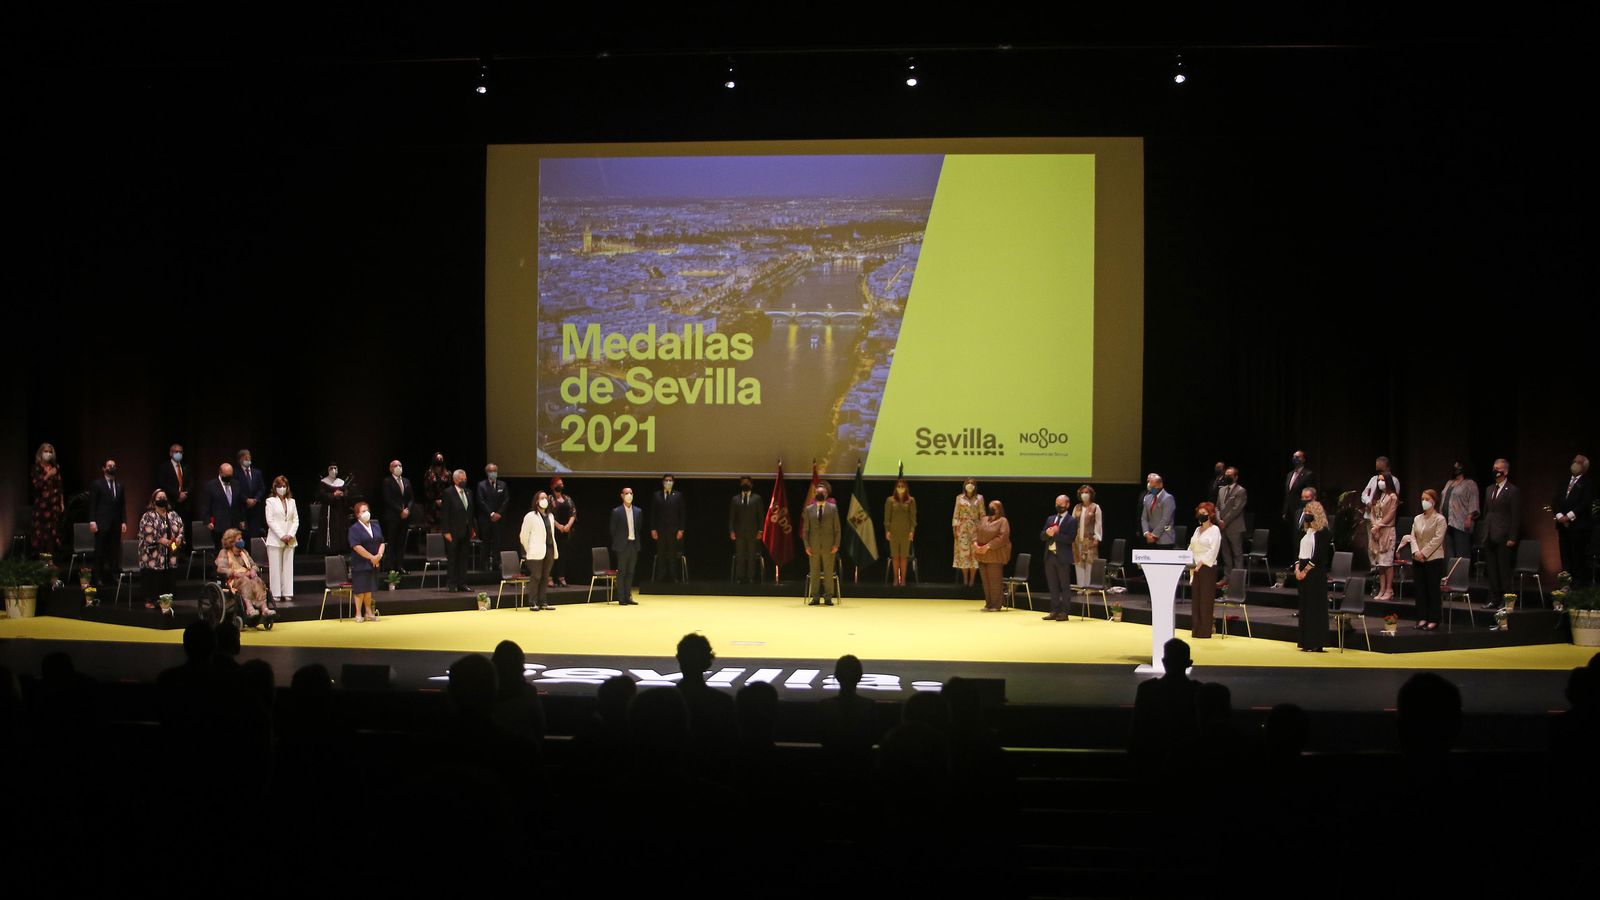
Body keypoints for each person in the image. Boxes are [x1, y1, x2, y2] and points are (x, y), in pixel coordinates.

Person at [1129, 638, 1199, 772]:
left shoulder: (1147, 690)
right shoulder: (1197, 691)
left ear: (1164, 662)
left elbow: (1137, 729)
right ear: (1189, 663)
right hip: (1189, 764)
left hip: (1151, 761)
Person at [1400, 489, 1447, 629]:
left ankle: (1433, 619)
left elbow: (1437, 539)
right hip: (1418, 559)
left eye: (1426, 499)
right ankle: (1421, 618)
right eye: (1422, 499)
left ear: (1433, 501)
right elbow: (1412, 536)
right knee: (1420, 590)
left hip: (1433, 559)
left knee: (1432, 590)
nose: (1424, 502)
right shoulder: (1417, 518)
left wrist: (1424, 553)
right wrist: (1415, 552)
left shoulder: (1440, 519)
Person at [1481, 458, 1521, 608]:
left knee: (1504, 570)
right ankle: (1494, 598)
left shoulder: (1512, 490)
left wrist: (1512, 537)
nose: (1495, 471)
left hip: (1504, 536)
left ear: (1506, 471)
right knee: (1491, 570)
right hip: (1489, 534)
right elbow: (1487, 512)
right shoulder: (1489, 489)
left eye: (1498, 468)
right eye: (1494, 467)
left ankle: (1507, 600)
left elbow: (1515, 516)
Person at [1294, 501, 1332, 652]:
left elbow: (1318, 556)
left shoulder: (1323, 533)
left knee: (1315, 607)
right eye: (1305, 511)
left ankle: (1316, 641)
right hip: (1303, 570)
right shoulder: (1306, 533)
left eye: (1309, 512)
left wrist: (1305, 571)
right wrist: (1298, 569)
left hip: (1315, 573)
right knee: (1305, 606)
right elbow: (1300, 552)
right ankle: (1306, 641)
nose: (1306, 515)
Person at [215, 527, 273, 624]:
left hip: (247, 577)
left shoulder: (244, 552)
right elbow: (220, 569)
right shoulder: (224, 553)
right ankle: (249, 609)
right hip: (233, 581)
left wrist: (253, 570)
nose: (242, 541)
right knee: (245, 581)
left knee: (257, 580)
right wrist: (234, 572)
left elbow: (254, 565)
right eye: (239, 539)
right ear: (231, 541)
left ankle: (264, 609)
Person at [137, 489, 184, 607]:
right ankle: (150, 600)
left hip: (170, 553)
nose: (162, 499)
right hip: (153, 554)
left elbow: (180, 529)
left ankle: (166, 601)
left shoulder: (173, 515)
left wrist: (178, 540)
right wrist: (164, 541)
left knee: (169, 576)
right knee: (153, 576)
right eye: (159, 498)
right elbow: (148, 533)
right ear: (154, 501)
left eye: (164, 497)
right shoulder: (148, 516)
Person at [1553, 455, 1594, 588]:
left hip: (1578, 527)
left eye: (1579, 462)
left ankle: (1578, 585)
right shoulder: (1564, 482)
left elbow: (1585, 503)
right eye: (1574, 461)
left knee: (1577, 556)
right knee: (1565, 555)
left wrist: (1569, 516)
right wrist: (1559, 516)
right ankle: (1566, 583)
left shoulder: (1587, 483)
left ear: (1584, 467)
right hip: (1562, 526)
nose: (1575, 464)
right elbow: (1555, 501)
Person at [1040, 494, 1079, 621]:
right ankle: (1054, 610)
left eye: (1061, 504)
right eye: (1057, 504)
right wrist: (1047, 533)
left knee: (1064, 586)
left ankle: (1065, 612)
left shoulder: (1071, 521)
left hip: (1063, 557)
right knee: (1052, 585)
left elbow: (1070, 539)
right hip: (1050, 556)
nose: (1059, 506)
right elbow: (1042, 536)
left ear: (1067, 505)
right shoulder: (1050, 518)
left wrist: (1055, 533)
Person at [88, 459, 126, 588]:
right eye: (109, 466)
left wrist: (124, 521)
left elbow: (122, 505)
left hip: (116, 523)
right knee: (100, 550)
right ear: (104, 468)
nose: (112, 468)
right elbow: (92, 504)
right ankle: (97, 577)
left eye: (114, 466)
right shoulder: (97, 484)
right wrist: (92, 520)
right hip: (101, 522)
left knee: (114, 550)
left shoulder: (120, 485)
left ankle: (113, 575)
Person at [519, 491, 559, 611]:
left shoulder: (550, 516)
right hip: (535, 551)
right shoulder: (530, 516)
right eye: (542, 498)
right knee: (536, 576)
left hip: (549, 549)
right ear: (536, 501)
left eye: (546, 498)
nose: (545, 500)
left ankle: (543, 602)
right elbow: (523, 535)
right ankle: (533, 602)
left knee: (545, 576)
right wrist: (528, 548)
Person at [804, 480, 841, 606]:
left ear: (826, 494)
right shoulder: (809, 509)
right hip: (813, 546)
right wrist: (807, 545)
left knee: (828, 572)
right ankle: (815, 597)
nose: (820, 494)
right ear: (815, 494)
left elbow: (837, 528)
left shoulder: (832, 508)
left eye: (822, 492)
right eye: (818, 492)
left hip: (829, 546)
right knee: (814, 571)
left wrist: (836, 544)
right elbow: (806, 530)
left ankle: (828, 597)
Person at [346, 501, 384, 622]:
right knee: (360, 589)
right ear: (357, 514)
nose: (366, 513)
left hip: (374, 562)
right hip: (360, 562)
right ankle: (358, 613)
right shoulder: (354, 529)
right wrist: (371, 557)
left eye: (367, 510)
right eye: (363, 511)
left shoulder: (375, 525)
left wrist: (379, 555)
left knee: (368, 589)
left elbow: (382, 542)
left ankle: (368, 612)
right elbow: (356, 546)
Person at [264, 476, 299, 604]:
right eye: (279, 486)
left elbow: (296, 520)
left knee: (288, 567)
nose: (282, 489)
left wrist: (290, 534)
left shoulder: (292, 501)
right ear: (275, 487)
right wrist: (282, 535)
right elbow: (270, 521)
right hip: (275, 539)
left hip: (290, 539)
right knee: (275, 567)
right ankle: (276, 593)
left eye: (284, 486)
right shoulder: (270, 501)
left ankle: (288, 592)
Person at [1189, 502, 1222, 639]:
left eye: (1205, 514)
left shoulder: (1215, 530)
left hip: (1207, 568)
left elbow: (1213, 550)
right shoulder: (1197, 530)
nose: (1202, 516)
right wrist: (1187, 560)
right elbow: (1191, 546)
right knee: (1196, 599)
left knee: (1205, 601)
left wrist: (1202, 562)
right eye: (1200, 513)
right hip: (1195, 567)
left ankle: (1204, 631)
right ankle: (1196, 629)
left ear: (1211, 515)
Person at [973, 499, 1012, 612]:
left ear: (999, 509)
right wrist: (975, 544)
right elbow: (976, 532)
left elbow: (1003, 537)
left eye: (993, 507)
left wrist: (988, 546)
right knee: (986, 581)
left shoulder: (1003, 521)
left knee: (994, 581)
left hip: (995, 555)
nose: (990, 509)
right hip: (982, 554)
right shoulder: (984, 519)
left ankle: (996, 604)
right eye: (989, 507)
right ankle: (989, 603)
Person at [441, 469, 474, 592]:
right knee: (453, 559)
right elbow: (445, 514)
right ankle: (452, 584)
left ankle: (462, 583)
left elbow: (470, 512)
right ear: (455, 480)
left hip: (466, 531)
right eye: (461, 479)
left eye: (465, 479)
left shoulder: (469, 492)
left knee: (464, 558)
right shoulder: (448, 493)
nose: (463, 481)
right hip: (453, 532)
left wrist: (472, 528)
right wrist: (446, 531)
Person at [609, 486, 644, 605]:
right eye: (626, 493)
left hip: (633, 545)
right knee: (622, 572)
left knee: (630, 572)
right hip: (622, 546)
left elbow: (638, 528)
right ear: (622, 496)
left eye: (631, 493)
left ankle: (628, 596)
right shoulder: (616, 511)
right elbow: (613, 529)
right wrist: (620, 541)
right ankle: (621, 598)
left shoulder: (638, 511)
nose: (629, 495)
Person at [200, 463, 245, 552]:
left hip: (234, 525)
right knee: (220, 552)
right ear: (220, 473)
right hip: (218, 525)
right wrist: (207, 521)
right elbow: (205, 505)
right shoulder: (210, 486)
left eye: (230, 475)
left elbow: (240, 504)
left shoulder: (236, 484)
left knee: (235, 551)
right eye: (226, 475)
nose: (229, 477)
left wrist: (242, 519)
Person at [29, 443, 64, 558]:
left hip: (54, 506)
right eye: (46, 451)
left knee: (52, 534)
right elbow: (37, 485)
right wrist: (48, 475)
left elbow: (59, 487)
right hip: (41, 507)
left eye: (50, 452)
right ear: (41, 453)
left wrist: (61, 503)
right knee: (41, 534)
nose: (48, 454)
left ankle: (51, 561)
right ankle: (42, 562)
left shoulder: (55, 467)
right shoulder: (36, 468)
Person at [1441, 461, 1480, 563]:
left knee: (1461, 552)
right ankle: (1450, 576)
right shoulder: (1449, 482)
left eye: (1458, 467)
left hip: (1461, 522)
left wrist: (1469, 517)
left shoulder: (1470, 483)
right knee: (1449, 552)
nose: (1456, 469)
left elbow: (1473, 500)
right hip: (1447, 521)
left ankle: (1460, 576)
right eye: (1455, 467)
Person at [729, 476, 765, 584]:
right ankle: (740, 577)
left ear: (751, 484)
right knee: (739, 555)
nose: (745, 484)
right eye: (743, 482)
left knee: (751, 555)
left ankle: (751, 577)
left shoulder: (757, 499)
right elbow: (732, 516)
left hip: (753, 532)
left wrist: (761, 530)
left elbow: (761, 515)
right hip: (739, 532)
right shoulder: (735, 499)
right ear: (741, 485)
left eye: (747, 482)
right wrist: (731, 530)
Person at [379, 459, 413, 575]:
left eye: (400, 465)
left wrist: (407, 509)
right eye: (395, 466)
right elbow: (387, 499)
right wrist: (400, 510)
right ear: (390, 469)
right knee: (392, 541)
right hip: (393, 516)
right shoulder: (387, 481)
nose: (398, 467)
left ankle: (399, 565)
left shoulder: (406, 481)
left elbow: (411, 498)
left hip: (405, 517)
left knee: (401, 542)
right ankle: (390, 566)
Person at [651, 474, 686, 582]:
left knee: (672, 554)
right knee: (661, 554)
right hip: (660, 530)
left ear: (673, 482)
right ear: (663, 482)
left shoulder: (678, 495)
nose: (668, 482)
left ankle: (673, 576)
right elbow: (653, 513)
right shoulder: (657, 495)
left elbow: (682, 513)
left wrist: (681, 529)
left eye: (670, 480)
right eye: (666, 480)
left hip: (674, 530)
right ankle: (661, 576)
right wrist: (653, 529)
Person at [476, 463, 510, 575]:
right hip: (486, 519)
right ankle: (483, 564)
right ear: (487, 472)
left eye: (495, 471)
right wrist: (491, 514)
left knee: (498, 542)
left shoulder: (502, 485)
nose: (493, 473)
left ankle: (496, 563)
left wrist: (499, 513)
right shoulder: (481, 485)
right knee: (485, 542)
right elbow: (481, 501)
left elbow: (506, 500)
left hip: (499, 519)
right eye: (491, 471)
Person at [1368, 474, 1398, 601]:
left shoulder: (1393, 497)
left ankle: (1389, 589)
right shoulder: (1378, 497)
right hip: (1376, 532)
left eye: (1382, 480)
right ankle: (1381, 589)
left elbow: (1390, 514)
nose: (1380, 482)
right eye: (1379, 480)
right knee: (1380, 563)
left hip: (1387, 531)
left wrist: (1379, 525)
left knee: (1387, 562)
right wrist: (1374, 525)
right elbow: (1372, 513)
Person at [883, 479, 917, 587]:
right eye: (899, 486)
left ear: (906, 488)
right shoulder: (890, 500)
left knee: (903, 556)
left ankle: (903, 579)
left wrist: (912, 531)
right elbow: (887, 518)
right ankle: (895, 579)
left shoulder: (911, 500)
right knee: (895, 556)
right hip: (893, 532)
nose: (901, 488)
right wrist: (887, 530)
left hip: (906, 532)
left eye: (902, 486)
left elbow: (913, 518)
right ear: (896, 488)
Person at [1214, 466, 1247, 578]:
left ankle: (1238, 580)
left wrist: (1225, 521)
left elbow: (1236, 509)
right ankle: (1227, 578)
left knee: (1237, 554)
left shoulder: (1241, 491)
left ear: (1235, 477)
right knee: (1226, 554)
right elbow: (1217, 507)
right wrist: (1219, 520)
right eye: (1226, 474)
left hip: (1234, 527)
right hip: (1222, 527)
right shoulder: (1221, 490)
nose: (1227, 477)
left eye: (1229, 475)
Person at [1282, 450, 1316, 558]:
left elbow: (1309, 493)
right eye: (1294, 457)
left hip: (1301, 511)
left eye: (1298, 457)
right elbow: (1288, 494)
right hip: (1290, 511)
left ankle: (1302, 561)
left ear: (1303, 459)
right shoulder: (1289, 475)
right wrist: (1285, 510)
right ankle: (1295, 561)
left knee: (1301, 537)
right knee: (1293, 538)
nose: (1295, 459)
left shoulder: (1308, 474)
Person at [951, 477, 984, 588]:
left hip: (975, 528)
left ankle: (972, 580)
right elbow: (956, 514)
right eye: (968, 483)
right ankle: (965, 579)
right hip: (962, 528)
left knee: (974, 554)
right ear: (965, 485)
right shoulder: (959, 498)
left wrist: (983, 529)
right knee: (964, 554)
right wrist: (955, 529)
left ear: (975, 486)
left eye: (972, 483)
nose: (970, 484)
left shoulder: (979, 498)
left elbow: (982, 514)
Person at [1072, 484, 1103, 587]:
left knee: (1089, 562)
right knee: (1078, 562)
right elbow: (1072, 522)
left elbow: (1098, 523)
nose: (1084, 494)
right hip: (1077, 539)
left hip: (1089, 539)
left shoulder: (1095, 507)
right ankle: (1081, 586)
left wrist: (1097, 537)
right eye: (1082, 493)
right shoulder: (1077, 507)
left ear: (1091, 494)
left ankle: (1088, 586)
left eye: (1086, 492)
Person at [317, 463, 352, 553]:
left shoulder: (341, 482)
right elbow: (321, 495)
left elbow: (347, 494)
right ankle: (329, 548)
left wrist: (342, 494)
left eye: (335, 468)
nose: (333, 470)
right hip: (328, 509)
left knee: (341, 527)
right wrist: (333, 495)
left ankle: (341, 547)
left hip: (340, 510)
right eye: (331, 468)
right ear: (328, 470)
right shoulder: (323, 482)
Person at [549, 477, 578, 587]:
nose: (560, 485)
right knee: (552, 555)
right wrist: (558, 526)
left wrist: (568, 526)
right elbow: (547, 514)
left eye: (561, 484)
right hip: (553, 530)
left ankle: (561, 577)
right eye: (558, 484)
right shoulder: (549, 499)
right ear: (552, 486)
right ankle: (550, 578)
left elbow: (573, 513)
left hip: (565, 531)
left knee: (563, 555)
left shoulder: (567, 499)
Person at [155, 443, 191, 527]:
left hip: (185, 504)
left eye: (181, 452)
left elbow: (191, 482)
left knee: (185, 528)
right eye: (176, 452)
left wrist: (185, 493)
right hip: (171, 502)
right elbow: (162, 484)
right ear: (171, 453)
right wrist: (178, 494)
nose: (179, 454)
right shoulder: (164, 467)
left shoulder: (186, 467)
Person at [236, 449, 267, 540]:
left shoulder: (257, 473)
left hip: (255, 508)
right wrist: (246, 500)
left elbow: (262, 488)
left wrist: (255, 499)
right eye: (245, 458)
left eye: (249, 457)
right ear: (240, 460)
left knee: (255, 534)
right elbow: (236, 490)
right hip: (242, 508)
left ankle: (254, 553)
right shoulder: (236, 473)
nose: (248, 459)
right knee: (244, 534)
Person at [1140, 473, 1176, 548]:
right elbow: (1144, 518)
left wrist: (1154, 535)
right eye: (1149, 483)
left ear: (1160, 484)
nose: (1150, 486)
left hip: (1164, 540)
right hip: (1149, 540)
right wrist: (1146, 533)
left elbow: (1166, 519)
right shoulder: (1148, 498)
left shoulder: (1168, 498)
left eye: (1153, 485)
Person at [423, 452, 450, 532]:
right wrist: (435, 500)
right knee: (433, 529)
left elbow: (449, 489)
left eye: (441, 459)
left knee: (444, 528)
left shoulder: (447, 474)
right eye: (438, 459)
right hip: (432, 506)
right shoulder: (429, 474)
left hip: (444, 505)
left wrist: (443, 500)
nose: (439, 460)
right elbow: (426, 490)